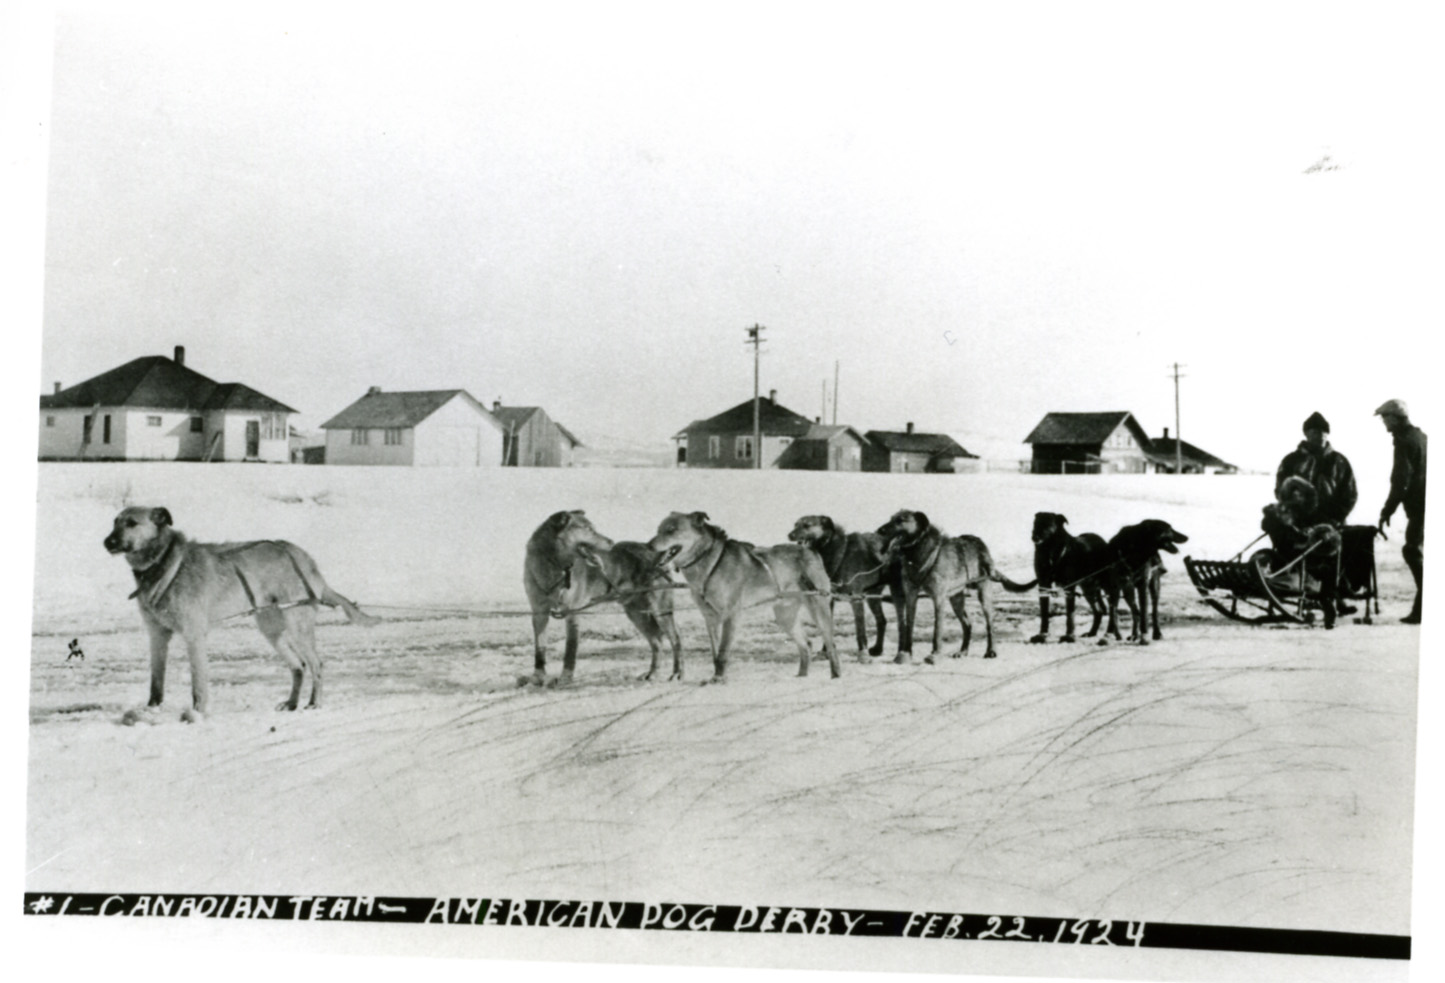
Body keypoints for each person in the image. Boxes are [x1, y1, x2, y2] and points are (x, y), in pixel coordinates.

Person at [1376, 399, 1426, 624]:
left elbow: (1400, 481)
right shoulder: (1422, 438)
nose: (1384, 423)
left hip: (1420, 507)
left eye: (1385, 418)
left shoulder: (1404, 441)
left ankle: (1424, 607)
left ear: (1396, 417)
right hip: (1424, 505)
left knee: (1412, 550)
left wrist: (1387, 510)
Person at [1276, 411, 1358, 526]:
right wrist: (1291, 511)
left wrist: (1337, 517)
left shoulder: (1339, 461)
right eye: (1314, 432)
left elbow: (1350, 494)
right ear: (1306, 434)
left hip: (1330, 523)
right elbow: (1281, 489)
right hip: (1298, 521)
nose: (1319, 436)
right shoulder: (1291, 460)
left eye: (1323, 432)